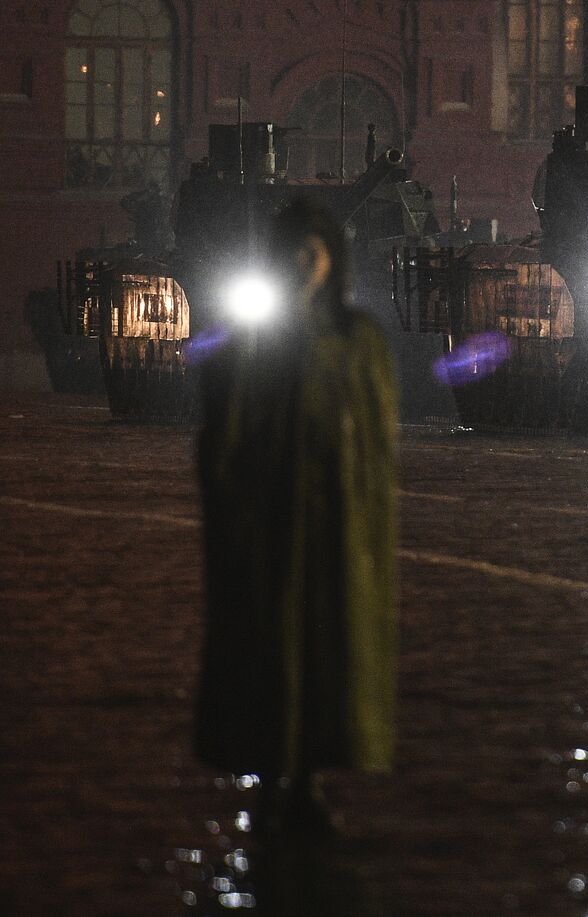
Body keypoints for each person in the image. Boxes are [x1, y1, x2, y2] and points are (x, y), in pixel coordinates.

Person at [195, 197, 399, 833]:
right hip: (272, 520)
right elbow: (223, 435)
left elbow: (378, 439)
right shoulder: (252, 342)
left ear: (332, 260)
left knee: (326, 648)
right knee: (271, 645)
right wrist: (232, 512)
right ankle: (270, 773)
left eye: (313, 254)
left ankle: (309, 775)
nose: (304, 266)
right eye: (293, 255)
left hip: (336, 525)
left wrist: (370, 524)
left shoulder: (357, 340)